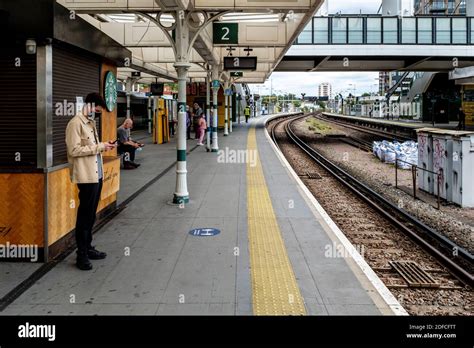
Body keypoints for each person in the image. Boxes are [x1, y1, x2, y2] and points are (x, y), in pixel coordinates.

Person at [66, 93, 117, 271]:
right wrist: (100, 146)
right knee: (84, 215)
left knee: (91, 214)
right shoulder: (75, 123)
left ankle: (88, 247)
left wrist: (105, 144)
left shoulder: (90, 123)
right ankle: (81, 255)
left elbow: (92, 148)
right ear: (89, 105)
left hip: (97, 175)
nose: (97, 113)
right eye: (96, 109)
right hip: (86, 177)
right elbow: (73, 150)